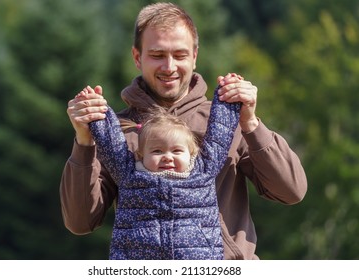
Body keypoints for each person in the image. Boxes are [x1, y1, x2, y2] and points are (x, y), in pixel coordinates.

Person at [60, 2, 307, 260]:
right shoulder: (116, 132)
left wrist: (252, 123)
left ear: (195, 56)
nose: (169, 67)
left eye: (179, 55)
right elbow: (80, 222)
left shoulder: (228, 121)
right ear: (137, 57)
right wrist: (83, 141)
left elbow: (291, 191)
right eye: (157, 55)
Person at [76, 82, 240, 260]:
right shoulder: (128, 174)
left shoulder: (204, 170)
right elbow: (111, 143)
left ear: (192, 153)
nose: (167, 157)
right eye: (157, 151)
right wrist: (96, 109)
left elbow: (219, 134)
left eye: (176, 151)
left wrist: (228, 98)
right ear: (141, 155)